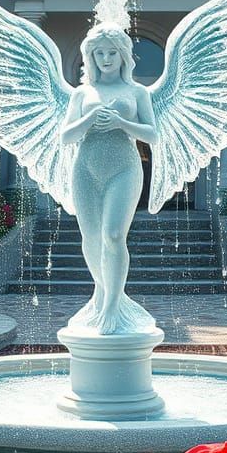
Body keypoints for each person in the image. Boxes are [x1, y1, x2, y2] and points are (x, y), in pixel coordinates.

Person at [59, 24, 158, 334]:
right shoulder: (81, 93)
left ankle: (113, 307)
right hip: (85, 169)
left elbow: (153, 135)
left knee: (113, 235)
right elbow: (66, 137)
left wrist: (121, 122)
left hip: (125, 168)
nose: (105, 58)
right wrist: (89, 119)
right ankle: (105, 295)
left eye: (112, 52)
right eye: (98, 53)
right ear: (90, 56)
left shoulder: (137, 92)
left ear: (123, 55)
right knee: (90, 239)